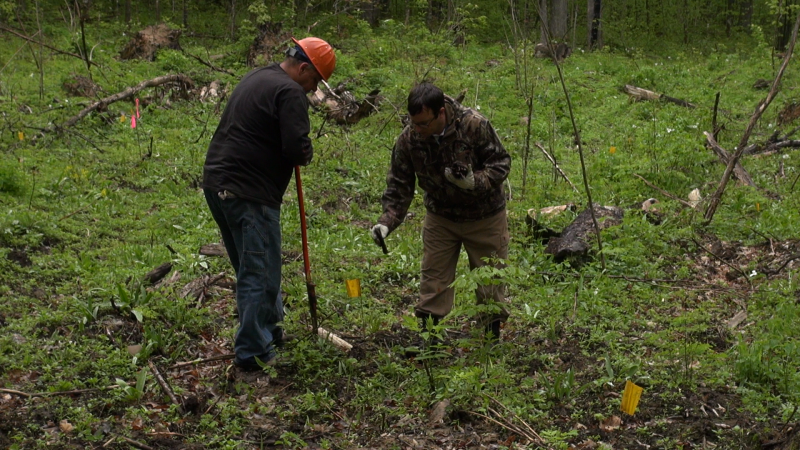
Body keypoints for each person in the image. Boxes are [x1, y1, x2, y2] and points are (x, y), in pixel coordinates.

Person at [203, 37, 335, 371]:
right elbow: (295, 148)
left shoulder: (258, 76)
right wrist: (306, 151)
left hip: (218, 183)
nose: (313, 88)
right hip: (249, 191)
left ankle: (269, 330)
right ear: (303, 68)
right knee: (259, 272)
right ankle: (253, 351)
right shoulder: (290, 92)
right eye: (316, 80)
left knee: (255, 266)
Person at [371, 82, 511, 342]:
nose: (419, 130)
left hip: (485, 216)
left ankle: (489, 341)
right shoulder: (409, 139)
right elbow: (399, 184)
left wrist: (474, 182)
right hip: (441, 217)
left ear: (441, 113)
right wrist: (387, 222)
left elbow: (501, 163)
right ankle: (429, 340)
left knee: (490, 280)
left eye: (424, 124)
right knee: (433, 279)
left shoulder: (473, 125)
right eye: (414, 123)